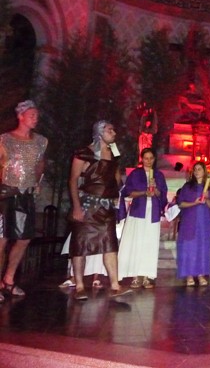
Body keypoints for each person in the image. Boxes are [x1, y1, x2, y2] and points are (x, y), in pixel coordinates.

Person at [68, 120, 132, 300]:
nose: (114, 133)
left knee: (110, 245)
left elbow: (115, 174)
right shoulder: (84, 153)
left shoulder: (113, 152)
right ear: (100, 132)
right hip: (89, 206)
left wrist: (120, 188)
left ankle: (115, 285)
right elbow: (73, 180)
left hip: (107, 207)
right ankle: (80, 286)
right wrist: (76, 207)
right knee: (80, 246)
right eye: (110, 130)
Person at [0, 100, 48, 300]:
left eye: (37, 115)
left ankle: (9, 280)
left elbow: (40, 164)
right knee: (2, 240)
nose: (35, 119)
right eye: (31, 115)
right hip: (5, 195)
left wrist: (38, 181)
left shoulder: (41, 141)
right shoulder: (5, 139)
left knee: (24, 238)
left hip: (26, 195)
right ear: (20, 116)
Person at [117, 148, 168, 289]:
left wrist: (155, 189)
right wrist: (144, 192)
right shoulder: (135, 174)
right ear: (142, 159)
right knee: (137, 243)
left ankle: (146, 275)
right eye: (146, 158)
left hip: (153, 213)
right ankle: (135, 275)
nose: (149, 161)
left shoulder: (159, 175)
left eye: (151, 158)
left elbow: (163, 196)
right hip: (138, 212)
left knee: (149, 244)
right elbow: (128, 192)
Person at [176, 162, 210, 287]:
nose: (197, 171)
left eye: (199, 169)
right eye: (195, 169)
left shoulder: (209, 189)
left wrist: (207, 199)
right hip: (190, 220)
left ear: (204, 171)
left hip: (203, 222)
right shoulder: (187, 187)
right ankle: (189, 274)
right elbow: (180, 204)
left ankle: (200, 274)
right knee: (189, 247)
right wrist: (194, 203)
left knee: (202, 247)